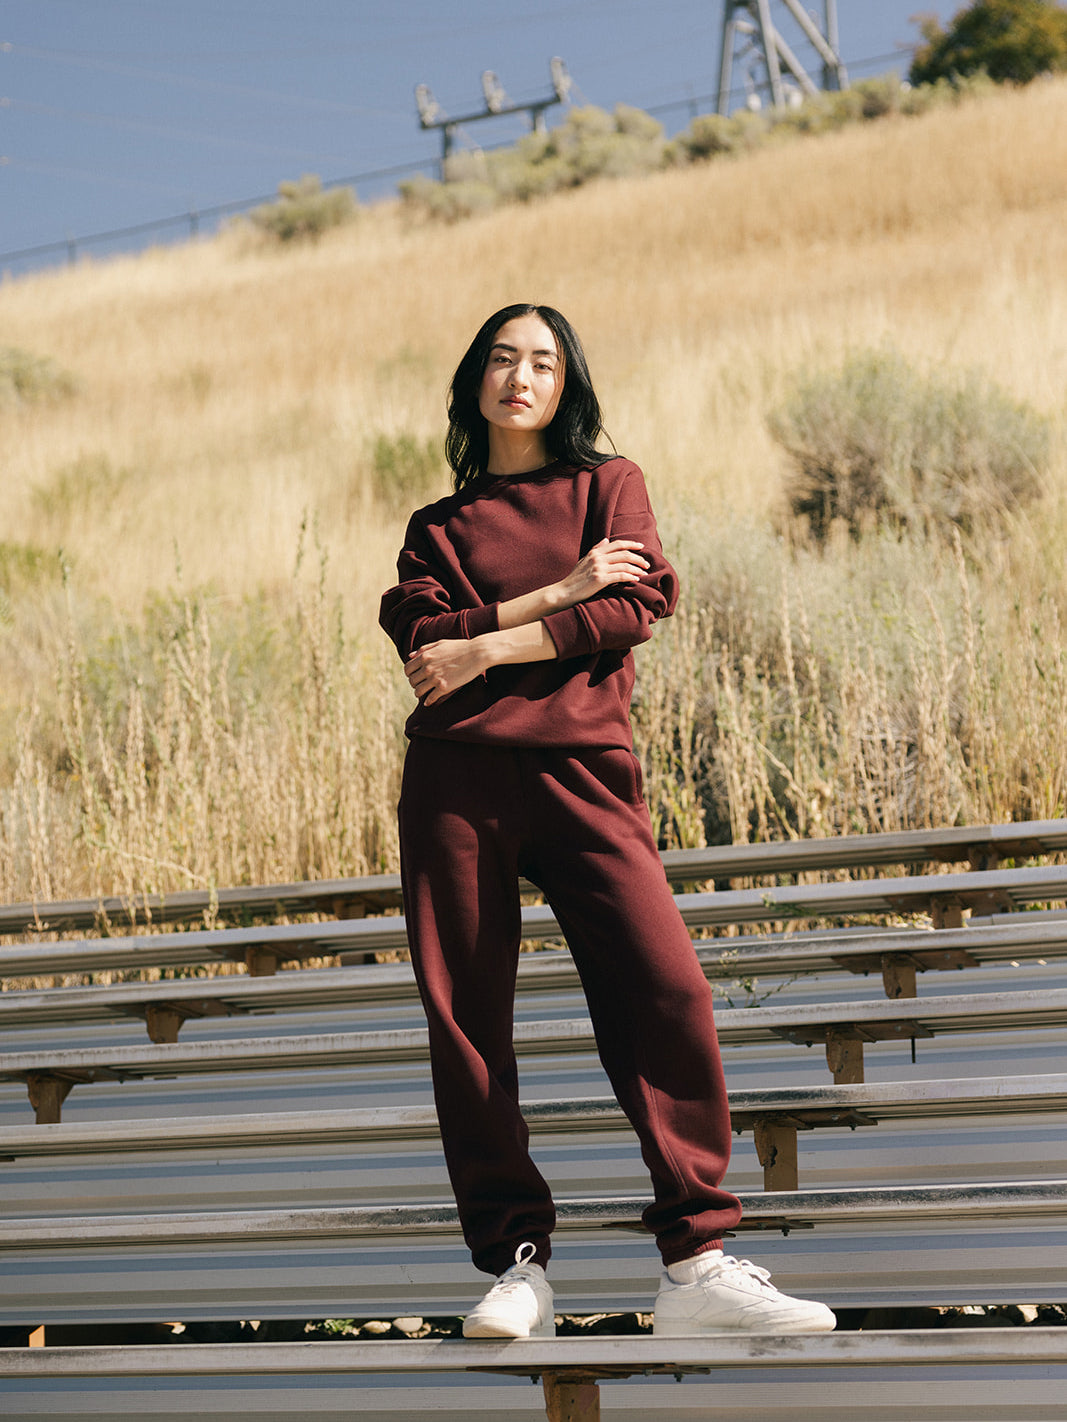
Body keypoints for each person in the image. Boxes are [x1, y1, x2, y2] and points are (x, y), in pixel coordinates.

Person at [379, 303, 835, 1339]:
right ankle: (515, 1268)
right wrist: (553, 595)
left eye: (541, 360)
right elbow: (415, 634)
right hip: (456, 783)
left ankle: (695, 1262)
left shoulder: (606, 484)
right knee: (467, 1023)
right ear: (474, 382)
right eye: (501, 358)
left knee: (662, 986)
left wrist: (488, 646)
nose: (519, 376)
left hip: (585, 770)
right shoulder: (434, 528)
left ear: (564, 381)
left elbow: (633, 605)